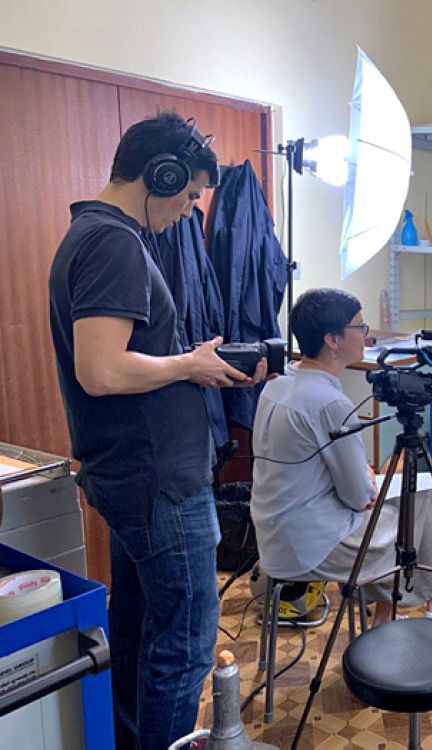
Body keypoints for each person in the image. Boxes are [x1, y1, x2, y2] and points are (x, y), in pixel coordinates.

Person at [48, 112, 267, 749]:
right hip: (159, 485)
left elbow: (125, 359)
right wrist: (188, 365)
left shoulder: (96, 234)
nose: (189, 210)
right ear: (160, 175)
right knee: (185, 645)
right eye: (188, 194)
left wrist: (193, 365)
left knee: (140, 628)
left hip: (137, 477)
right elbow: (100, 369)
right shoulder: (113, 243)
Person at [251, 288, 432, 629]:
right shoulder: (330, 403)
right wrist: (366, 477)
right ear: (332, 339)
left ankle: (404, 614)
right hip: (313, 544)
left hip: (274, 531)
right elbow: (359, 497)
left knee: (411, 500)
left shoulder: (278, 385)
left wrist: (363, 475)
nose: (366, 335)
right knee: (422, 499)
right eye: (359, 327)